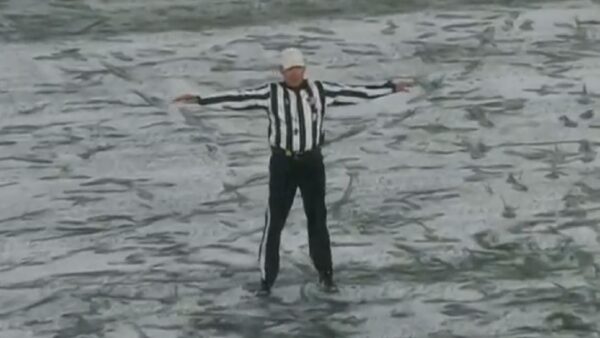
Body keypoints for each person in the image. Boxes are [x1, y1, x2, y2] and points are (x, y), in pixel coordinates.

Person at [173, 47, 412, 296]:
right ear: (282, 72)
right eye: (289, 70)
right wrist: (201, 99)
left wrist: (390, 87)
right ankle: (267, 281)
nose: (294, 74)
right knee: (274, 222)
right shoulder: (270, 93)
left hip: (311, 163)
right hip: (283, 164)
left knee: (318, 220)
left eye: (298, 69)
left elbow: (356, 92)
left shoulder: (320, 91)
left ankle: (326, 275)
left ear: (304, 70)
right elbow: (239, 98)